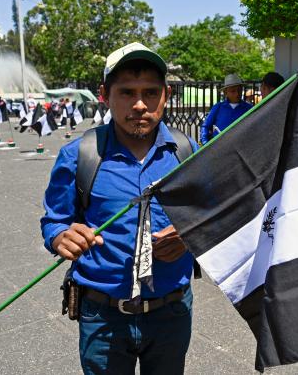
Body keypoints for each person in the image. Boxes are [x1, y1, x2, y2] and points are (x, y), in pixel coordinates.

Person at [41, 42, 196, 375]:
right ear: (104, 94)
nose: (140, 105)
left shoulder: (187, 152)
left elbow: (212, 216)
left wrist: (189, 236)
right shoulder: (79, 155)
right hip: (102, 316)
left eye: (150, 93)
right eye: (126, 92)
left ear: (166, 95)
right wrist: (60, 237)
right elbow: (54, 221)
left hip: (171, 312)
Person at [200, 73, 252, 144]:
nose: (237, 94)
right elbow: (205, 126)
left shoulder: (249, 108)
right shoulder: (218, 107)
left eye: (239, 90)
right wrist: (205, 143)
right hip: (220, 148)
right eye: (233, 91)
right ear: (225, 92)